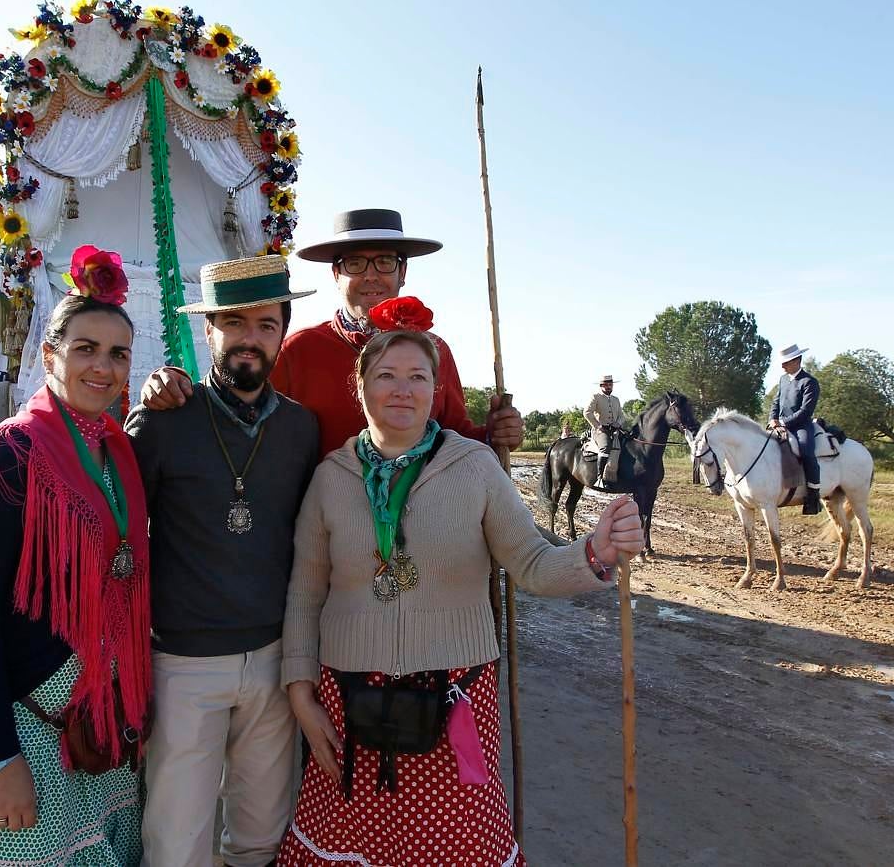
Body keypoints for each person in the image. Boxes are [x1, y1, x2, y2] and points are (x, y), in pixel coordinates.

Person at [276, 297, 644, 865]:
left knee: (460, 846)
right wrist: (301, 693)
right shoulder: (331, 477)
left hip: (455, 698)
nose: (403, 389)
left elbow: (530, 563)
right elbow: (304, 594)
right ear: (361, 387)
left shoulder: (475, 467)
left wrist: (595, 552)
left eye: (418, 377)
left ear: (437, 388)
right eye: (387, 376)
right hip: (347, 702)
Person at [0, 246, 152, 866]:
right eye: (85, 349)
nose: (102, 367)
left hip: (99, 732)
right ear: (49, 355)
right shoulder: (8, 456)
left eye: (117, 353)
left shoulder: (119, 454)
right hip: (26, 727)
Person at [125, 255, 321, 867]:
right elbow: (119, 532)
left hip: (272, 659)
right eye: (233, 323)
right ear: (207, 329)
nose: (250, 338)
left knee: (261, 835)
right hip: (183, 663)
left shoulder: (301, 429)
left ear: (282, 333)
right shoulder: (161, 421)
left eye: (266, 324)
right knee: (176, 838)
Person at [140, 208, 524, 459]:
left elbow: (454, 436)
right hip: (325, 539)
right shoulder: (300, 350)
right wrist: (171, 385)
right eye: (355, 263)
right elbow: (236, 406)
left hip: (420, 532)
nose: (371, 274)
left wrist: (494, 435)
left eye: (385, 261)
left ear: (402, 272)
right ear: (335, 275)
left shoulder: (433, 352)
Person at [767, 343, 822, 515]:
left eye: (786, 362)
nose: (782, 366)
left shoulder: (809, 382)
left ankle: (813, 496)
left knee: (806, 452)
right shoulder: (783, 380)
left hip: (801, 426)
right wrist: (772, 419)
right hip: (780, 424)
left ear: (797, 360)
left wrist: (783, 423)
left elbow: (805, 412)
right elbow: (776, 402)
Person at [585, 374, 627, 488]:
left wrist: (618, 423)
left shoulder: (616, 399)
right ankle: (600, 479)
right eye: (606, 385)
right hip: (601, 430)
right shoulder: (596, 397)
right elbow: (587, 413)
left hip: (615, 429)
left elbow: (622, 416)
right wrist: (598, 426)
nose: (609, 387)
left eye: (610, 385)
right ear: (601, 386)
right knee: (606, 447)